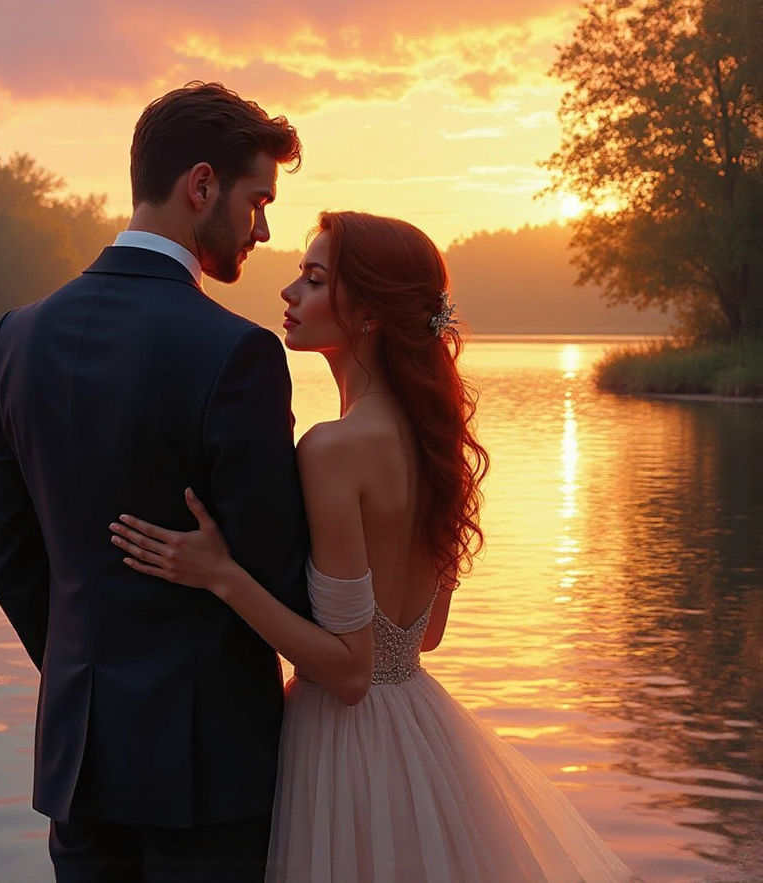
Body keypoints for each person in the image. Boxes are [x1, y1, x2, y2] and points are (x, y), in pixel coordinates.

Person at [109, 211, 635, 881]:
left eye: (314, 279)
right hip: (420, 735)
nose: (289, 292)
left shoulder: (334, 448)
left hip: (345, 749)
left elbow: (351, 673)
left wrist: (221, 574)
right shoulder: (436, 443)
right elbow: (426, 634)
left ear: (369, 315)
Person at [0, 82, 311, 881]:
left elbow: (14, 565)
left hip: (80, 767)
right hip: (210, 776)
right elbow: (279, 576)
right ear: (201, 185)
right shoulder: (237, 353)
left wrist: (88, 685)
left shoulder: (18, 338)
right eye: (258, 201)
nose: (264, 229)